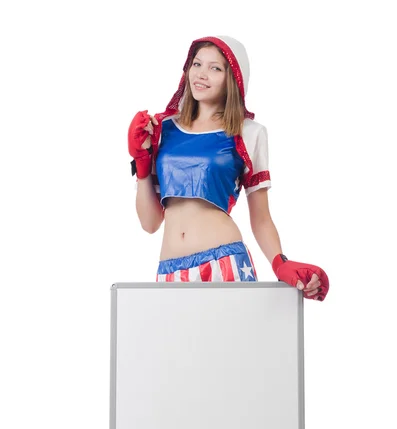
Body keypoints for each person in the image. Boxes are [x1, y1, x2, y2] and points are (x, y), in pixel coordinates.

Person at [128, 35, 329, 301]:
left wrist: (280, 262)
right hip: (170, 272)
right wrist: (141, 165)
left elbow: (261, 218)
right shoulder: (162, 129)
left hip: (225, 264)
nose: (201, 74)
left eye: (215, 68)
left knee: (237, 343)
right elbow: (150, 223)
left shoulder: (248, 133)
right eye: (196, 64)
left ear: (232, 77)